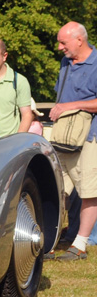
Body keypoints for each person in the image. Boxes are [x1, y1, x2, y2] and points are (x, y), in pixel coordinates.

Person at [49, 21, 97, 260]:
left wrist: (73, 105)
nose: (59, 47)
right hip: (62, 138)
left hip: (89, 138)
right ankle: (48, 241)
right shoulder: (65, 63)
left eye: (63, 42)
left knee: (89, 190)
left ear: (80, 39)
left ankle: (79, 246)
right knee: (57, 189)